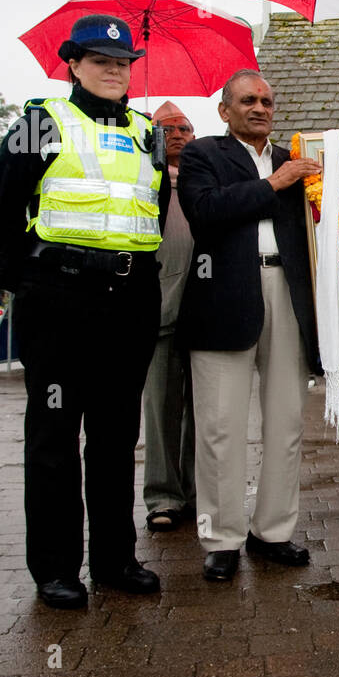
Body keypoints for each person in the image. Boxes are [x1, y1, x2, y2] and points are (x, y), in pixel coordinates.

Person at [0, 13, 165, 609]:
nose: (114, 71)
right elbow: (1, 211)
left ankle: (115, 558)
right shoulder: (41, 123)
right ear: (74, 65)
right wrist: (28, 284)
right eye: (100, 62)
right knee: (55, 435)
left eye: (123, 63)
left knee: (116, 436)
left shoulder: (148, 133)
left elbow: (152, 212)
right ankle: (57, 568)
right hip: (59, 301)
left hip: (130, 300)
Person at [176, 70, 322, 582]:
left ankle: (273, 532)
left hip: (289, 295)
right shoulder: (203, 155)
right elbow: (205, 212)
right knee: (220, 427)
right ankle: (221, 539)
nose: (259, 108)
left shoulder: (296, 159)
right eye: (247, 100)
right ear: (224, 110)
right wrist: (271, 185)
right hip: (222, 299)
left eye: (266, 101)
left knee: (285, 423)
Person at [141, 102, 197, 531]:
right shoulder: (143, 181)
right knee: (161, 409)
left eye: (184, 127)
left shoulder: (203, 180)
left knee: (204, 411)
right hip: (157, 309)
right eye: (166, 128)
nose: (176, 133)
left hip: (204, 314)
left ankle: (197, 492)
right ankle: (163, 496)